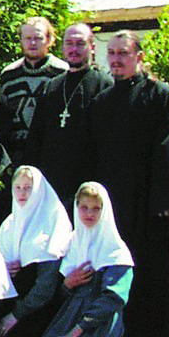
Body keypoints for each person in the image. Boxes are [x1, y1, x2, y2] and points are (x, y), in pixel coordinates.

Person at [89, 30, 169, 337]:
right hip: (113, 203)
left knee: (150, 273)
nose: (116, 59)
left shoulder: (161, 96)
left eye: (123, 53)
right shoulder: (102, 102)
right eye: (112, 53)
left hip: (150, 203)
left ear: (139, 57)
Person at [26, 182, 139, 337]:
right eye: (84, 207)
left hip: (99, 324)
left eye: (96, 208)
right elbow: (60, 294)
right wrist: (68, 285)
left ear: (104, 211)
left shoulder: (115, 250)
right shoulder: (73, 241)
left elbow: (113, 299)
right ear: (76, 208)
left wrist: (74, 333)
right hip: (71, 316)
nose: (89, 214)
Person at [22, 22, 113, 209]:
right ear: (62, 47)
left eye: (80, 43)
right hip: (52, 185)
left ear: (92, 47)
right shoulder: (52, 86)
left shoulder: (105, 86)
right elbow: (36, 138)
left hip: (90, 187)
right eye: (69, 44)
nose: (74, 49)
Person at [0, 166, 72, 337]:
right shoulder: (9, 224)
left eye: (28, 188)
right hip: (8, 304)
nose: (22, 193)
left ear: (38, 190)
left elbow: (45, 288)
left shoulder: (52, 223)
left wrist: (15, 316)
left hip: (37, 312)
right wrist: (3, 269)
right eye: (18, 187)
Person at [0, 16, 67, 162]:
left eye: (38, 38)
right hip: (16, 155)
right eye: (28, 38)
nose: (33, 43)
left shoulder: (63, 73)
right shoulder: (8, 75)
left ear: (49, 39)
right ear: (21, 41)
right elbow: (2, 118)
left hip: (52, 153)